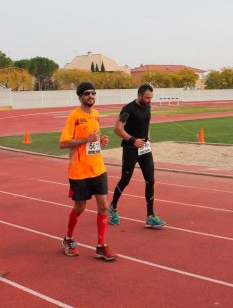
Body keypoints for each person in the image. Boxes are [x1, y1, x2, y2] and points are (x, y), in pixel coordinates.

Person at [60, 82, 118, 260]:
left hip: (98, 168)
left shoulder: (96, 114)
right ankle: (68, 238)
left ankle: (101, 246)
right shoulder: (74, 116)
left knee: (104, 206)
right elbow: (63, 143)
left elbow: (93, 139)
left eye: (93, 93)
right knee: (80, 207)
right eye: (87, 93)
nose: (91, 96)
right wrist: (87, 139)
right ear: (80, 97)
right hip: (79, 171)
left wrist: (100, 141)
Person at [108, 84, 166, 228]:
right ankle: (112, 208)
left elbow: (146, 124)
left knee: (150, 180)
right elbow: (117, 128)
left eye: (151, 98)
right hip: (130, 149)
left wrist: (148, 139)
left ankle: (150, 216)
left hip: (145, 150)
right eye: (147, 98)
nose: (149, 101)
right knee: (125, 180)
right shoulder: (128, 109)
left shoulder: (148, 107)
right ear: (139, 95)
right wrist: (133, 140)